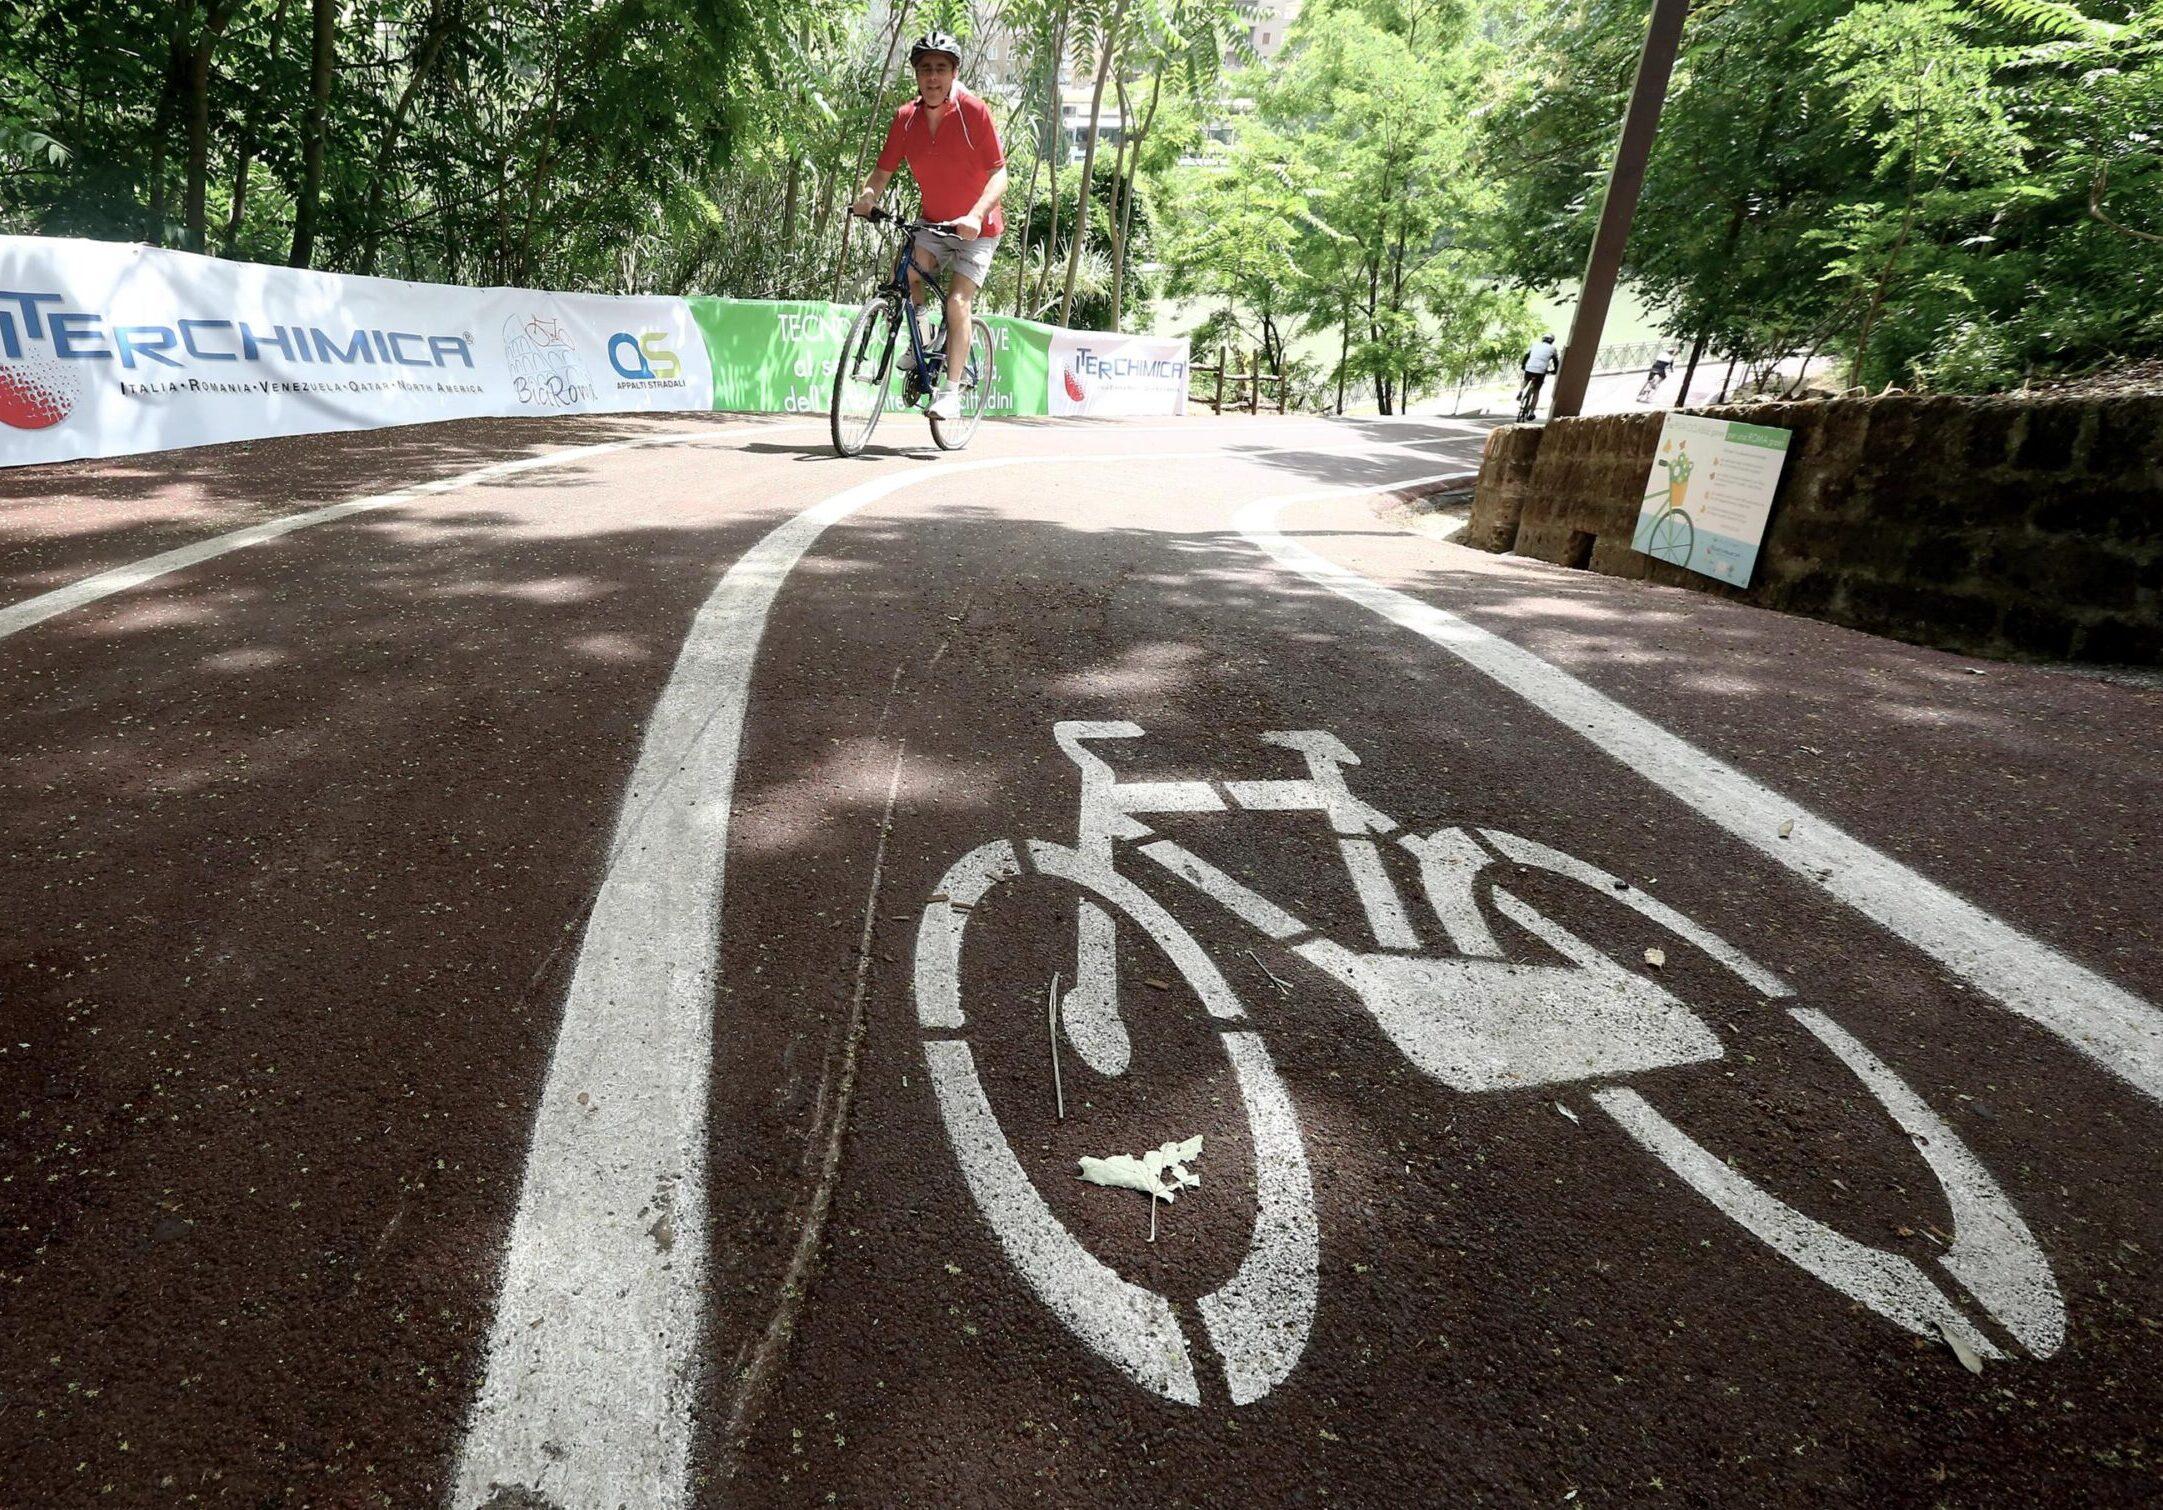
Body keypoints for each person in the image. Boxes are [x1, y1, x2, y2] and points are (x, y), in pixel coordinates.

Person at [850, 32, 1008, 421]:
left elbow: (1000, 175)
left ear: (954, 72)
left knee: (957, 301)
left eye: (940, 69)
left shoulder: (973, 112)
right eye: (925, 70)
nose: (932, 77)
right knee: (906, 273)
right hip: (934, 223)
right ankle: (922, 338)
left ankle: (950, 393)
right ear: (917, 76)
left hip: (977, 228)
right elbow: (882, 172)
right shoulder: (906, 119)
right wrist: (869, 197)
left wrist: (975, 215)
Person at [1517, 334, 1559, 420]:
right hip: (1541, 371)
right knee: (1536, 391)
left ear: (1543, 339)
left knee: (1525, 379)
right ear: (1552, 341)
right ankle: (1532, 412)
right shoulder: (1553, 349)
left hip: (1529, 368)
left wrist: (1523, 366)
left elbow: (1526, 356)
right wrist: (1554, 371)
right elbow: (1555, 361)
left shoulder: (1534, 344)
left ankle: (1521, 391)